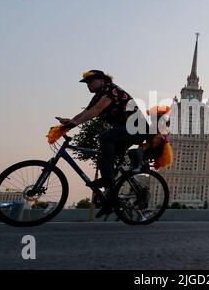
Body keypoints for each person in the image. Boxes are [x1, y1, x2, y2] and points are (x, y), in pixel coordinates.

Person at [59, 70, 148, 217]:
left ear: (102, 80)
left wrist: (74, 124)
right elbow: (86, 112)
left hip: (137, 128)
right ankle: (110, 202)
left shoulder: (111, 90)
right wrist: (69, 122)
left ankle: (109, 180)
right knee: (103, 158)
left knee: (105, 138)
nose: (88, 84)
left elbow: (97, 110)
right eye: (87, 82)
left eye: (91, 81)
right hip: (125, 129)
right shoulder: (98, 96)